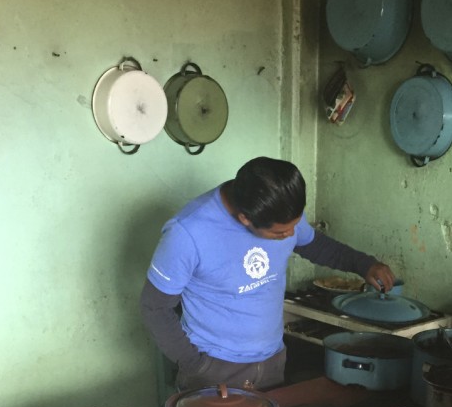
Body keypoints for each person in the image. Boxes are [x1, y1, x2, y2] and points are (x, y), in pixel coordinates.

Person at [140, 157, 396, 391]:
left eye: (294, 226)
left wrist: (364, 264)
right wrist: (195, 364)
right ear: (245, 219)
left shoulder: (280, 206)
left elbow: (313, 244)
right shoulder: (188, 233)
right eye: (279, 233)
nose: (289, 235)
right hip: (214, 371)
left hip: (272, 362)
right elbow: (155, 308)